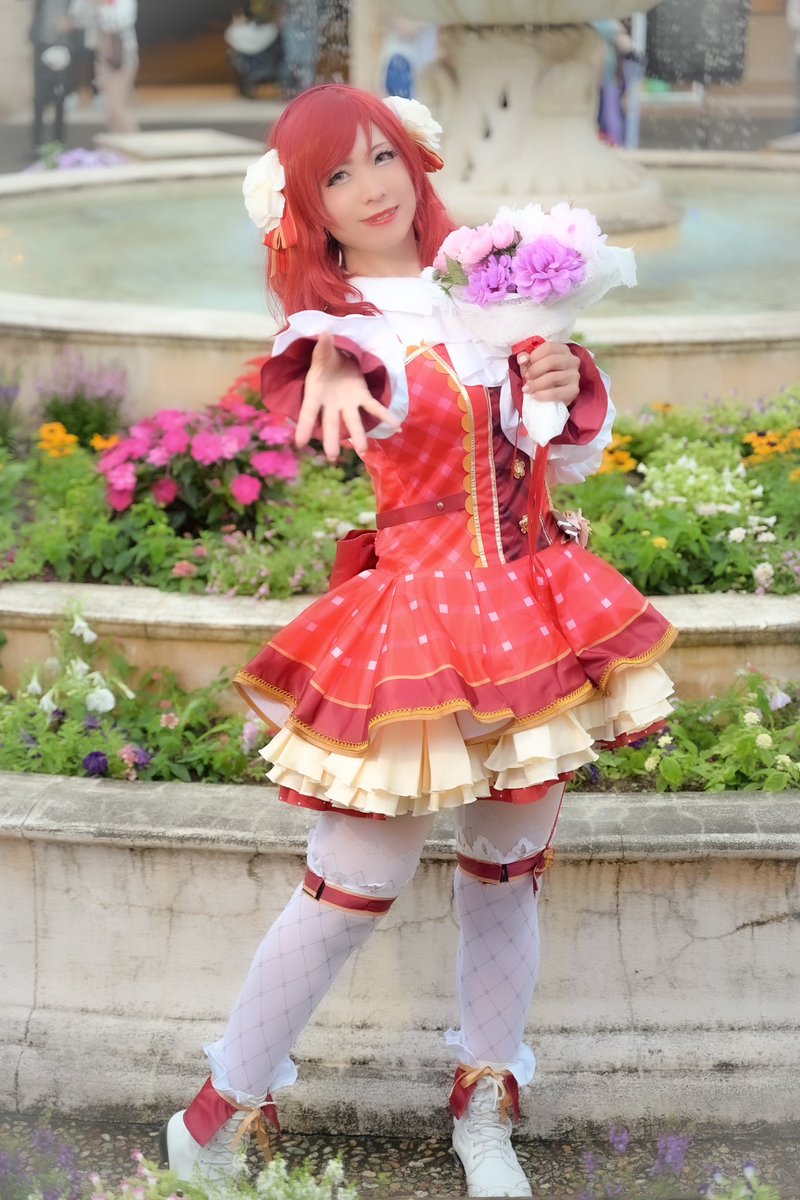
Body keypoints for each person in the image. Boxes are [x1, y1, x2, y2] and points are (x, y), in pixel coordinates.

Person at [160, 84, 677, 1199]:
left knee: (507, 874)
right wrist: (330, 354)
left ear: (415, 158)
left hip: (532, 603)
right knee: (355, 877)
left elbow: (560, 453)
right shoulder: (342, 327)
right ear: (307, 209)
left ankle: (483, 1111)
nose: (371, 187)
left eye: (381, 156)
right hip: (418, 621)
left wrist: (558, 377)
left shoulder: (484, 284)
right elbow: (322, 361)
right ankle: (215, 1113)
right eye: (336, 176)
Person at [69, 0, 139, 133]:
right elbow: (78, 17)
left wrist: (101, 7)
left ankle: (132, 140)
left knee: (117, 104)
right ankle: (116, 141)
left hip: (121, 55)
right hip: (101, 54)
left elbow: (122, 20)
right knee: (111, 107)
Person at [27, 0, 77, 150]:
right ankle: (38, 143)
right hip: (42, 45)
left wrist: (72, 24)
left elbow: (81, 15)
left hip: (63, 46)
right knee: (40, 98)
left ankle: (58, 141)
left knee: (60, 97)